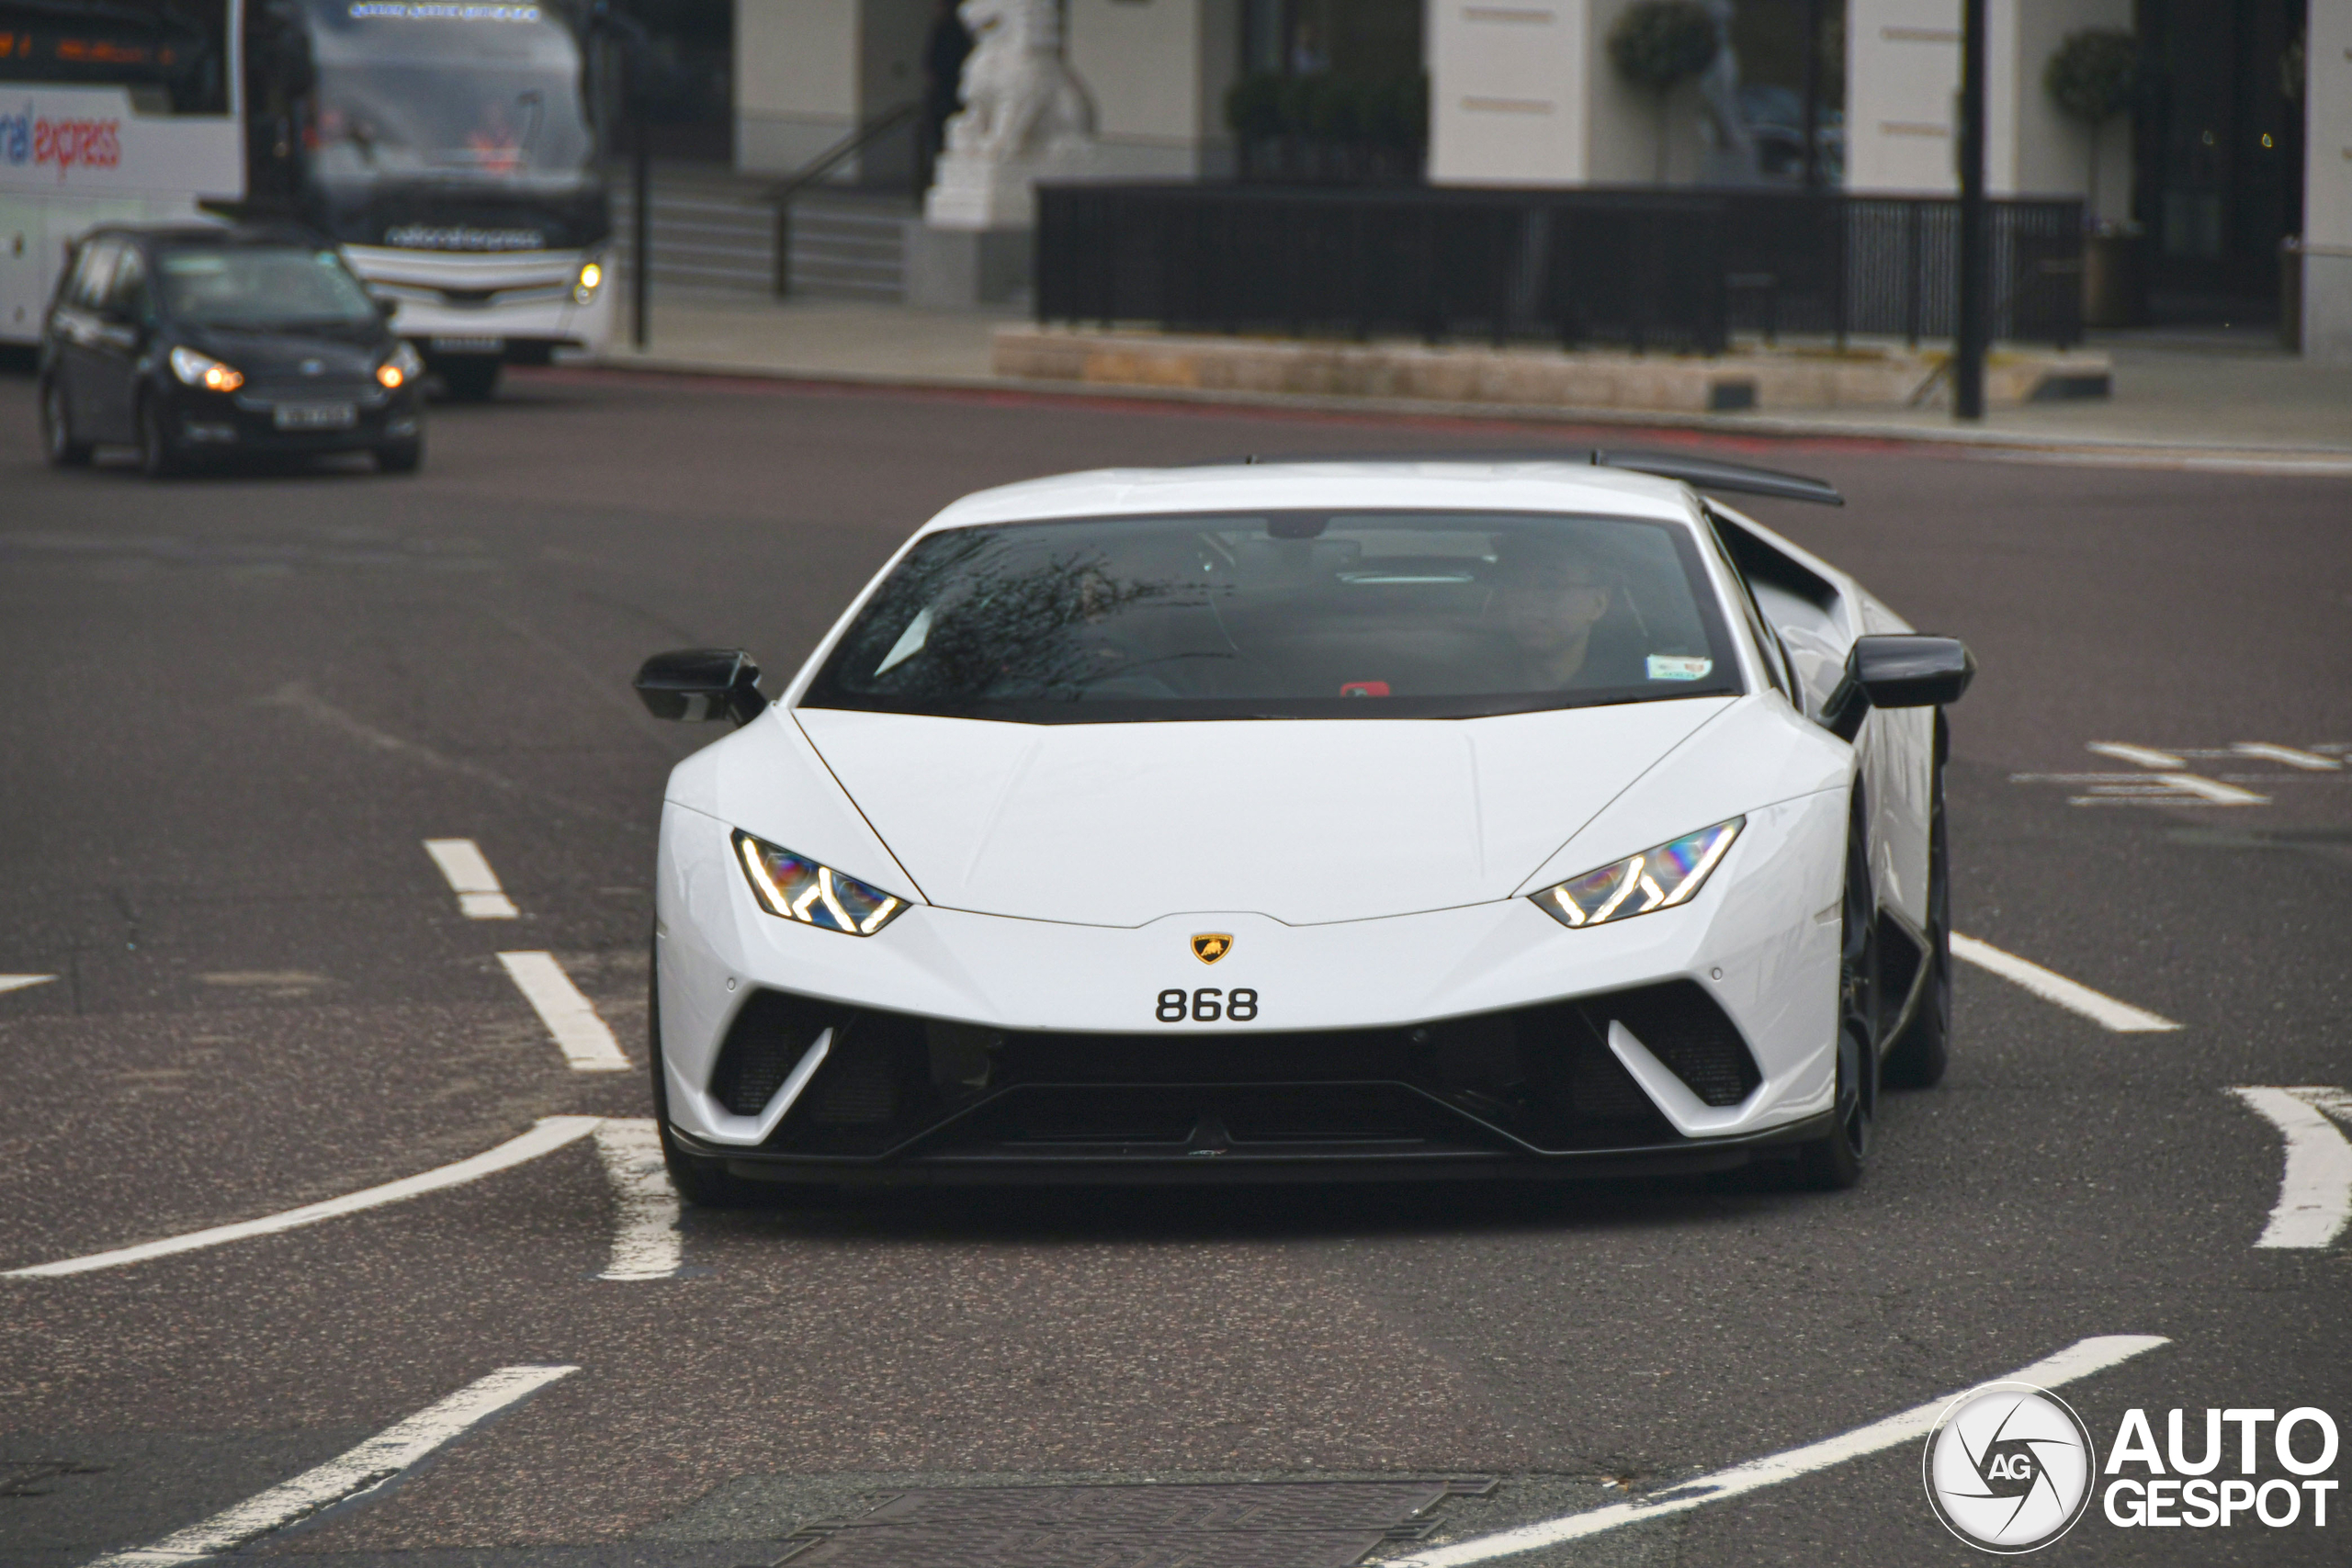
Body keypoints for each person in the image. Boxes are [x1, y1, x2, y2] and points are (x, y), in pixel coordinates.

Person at [1492, 530, 1644, 689]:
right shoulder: (1471, 685)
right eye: (1517, 584)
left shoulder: (1638, 695)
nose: (1527, 601)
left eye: (1550, 586)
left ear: (1599, 603)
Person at [920, 0, 973, 190]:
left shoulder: (946, 29)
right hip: (951, 93)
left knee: (941, 141)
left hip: (947, 94)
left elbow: (932, 63)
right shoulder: (960, 31)